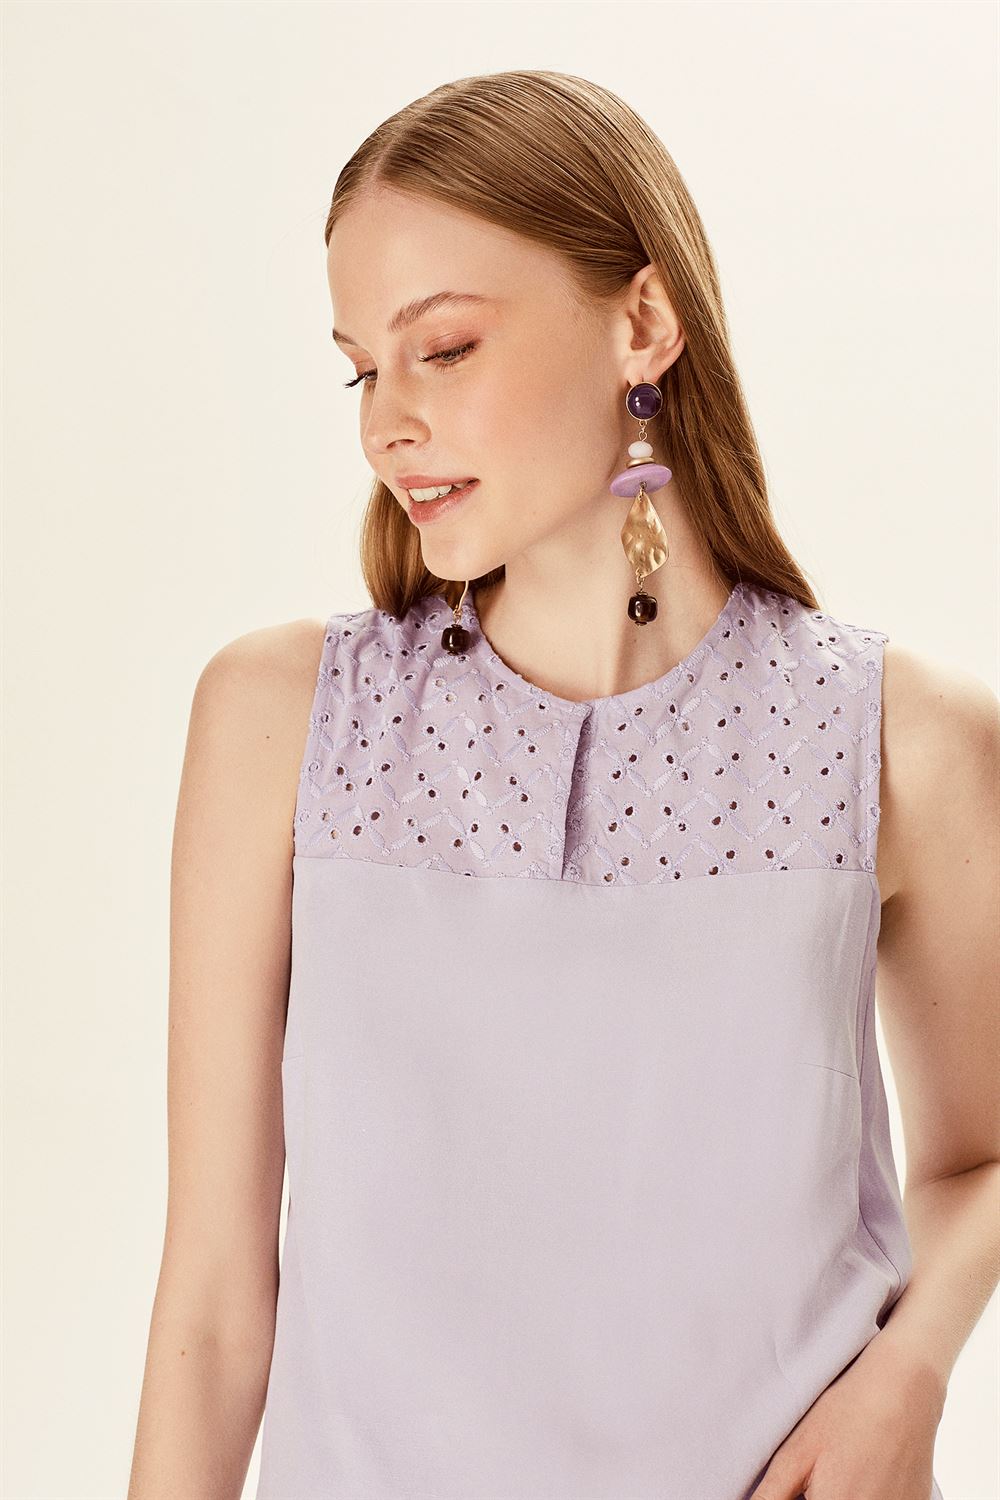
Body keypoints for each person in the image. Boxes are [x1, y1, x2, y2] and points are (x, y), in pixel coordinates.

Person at [127, 70, 999, 1500]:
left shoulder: (901, 739)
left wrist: (909, 1379)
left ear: (642, 323)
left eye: (443, 348)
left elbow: (981, 1157)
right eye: (362, 371)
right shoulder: (283, 722)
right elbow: (217, 1303)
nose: (386, 424)